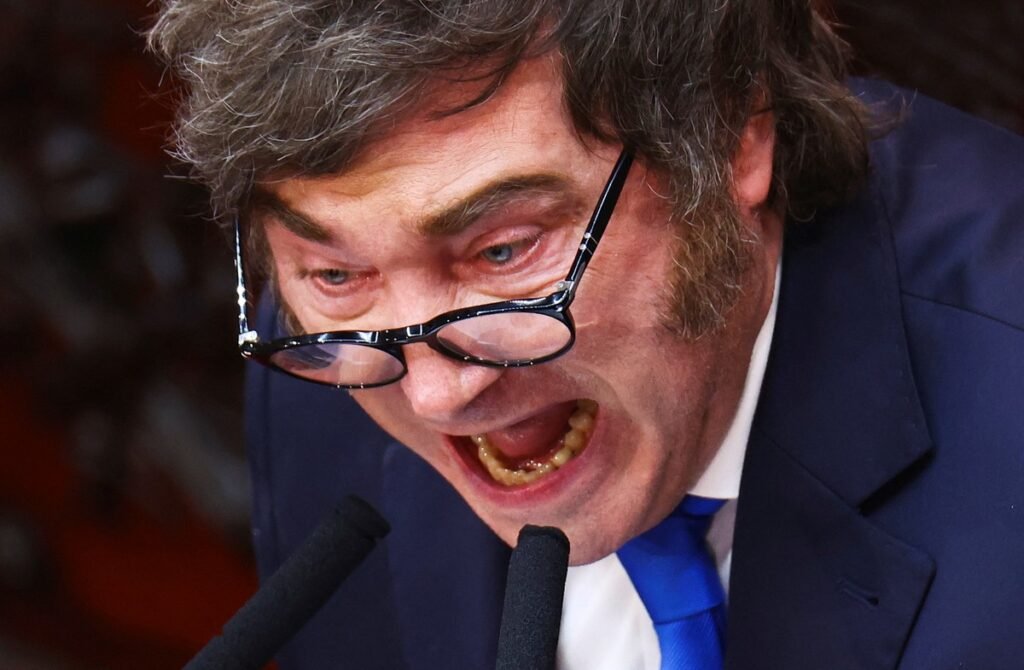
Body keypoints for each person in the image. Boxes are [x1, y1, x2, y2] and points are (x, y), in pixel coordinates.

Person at [148, 1, 1024, 668]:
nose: (435, 392)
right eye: (336, 274)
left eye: (503, 251)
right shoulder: (332, 362)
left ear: (730, 137)